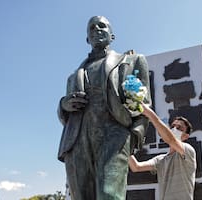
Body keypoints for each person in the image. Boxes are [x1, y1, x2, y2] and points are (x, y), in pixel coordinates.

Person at [57, 16, 151, 200]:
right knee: (82, 196)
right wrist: (63, 105)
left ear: (112, 35)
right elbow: (65, 119)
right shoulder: (73, 76)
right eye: (91, 28)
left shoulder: (132, 61)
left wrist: (135, 134)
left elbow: (144, 102)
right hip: (78, 141)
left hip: (114, 135)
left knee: (109, 194)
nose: (97, 30)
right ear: (87, 39)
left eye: (102, 26)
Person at [129, 103, 196, 200]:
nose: (174, 129)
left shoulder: (188, 151)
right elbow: (136, 167)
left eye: (179, 128)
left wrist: (149, 113)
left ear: (186, 136)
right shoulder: (160, 160)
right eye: (173, 126)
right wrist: (125, 145)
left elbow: (170, 139)